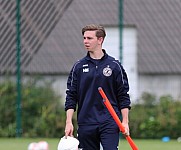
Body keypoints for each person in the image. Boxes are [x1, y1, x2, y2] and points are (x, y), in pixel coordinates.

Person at [64, 24, 131, 150]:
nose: (85, 41)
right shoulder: (78, 67)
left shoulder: (114, 66)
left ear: (100, 40)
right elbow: (71, 96)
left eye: (89, 38)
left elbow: (123, 96)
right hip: (86, 122)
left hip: (110, 122)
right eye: (84, 38)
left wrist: (125, 122)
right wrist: (69, 122)